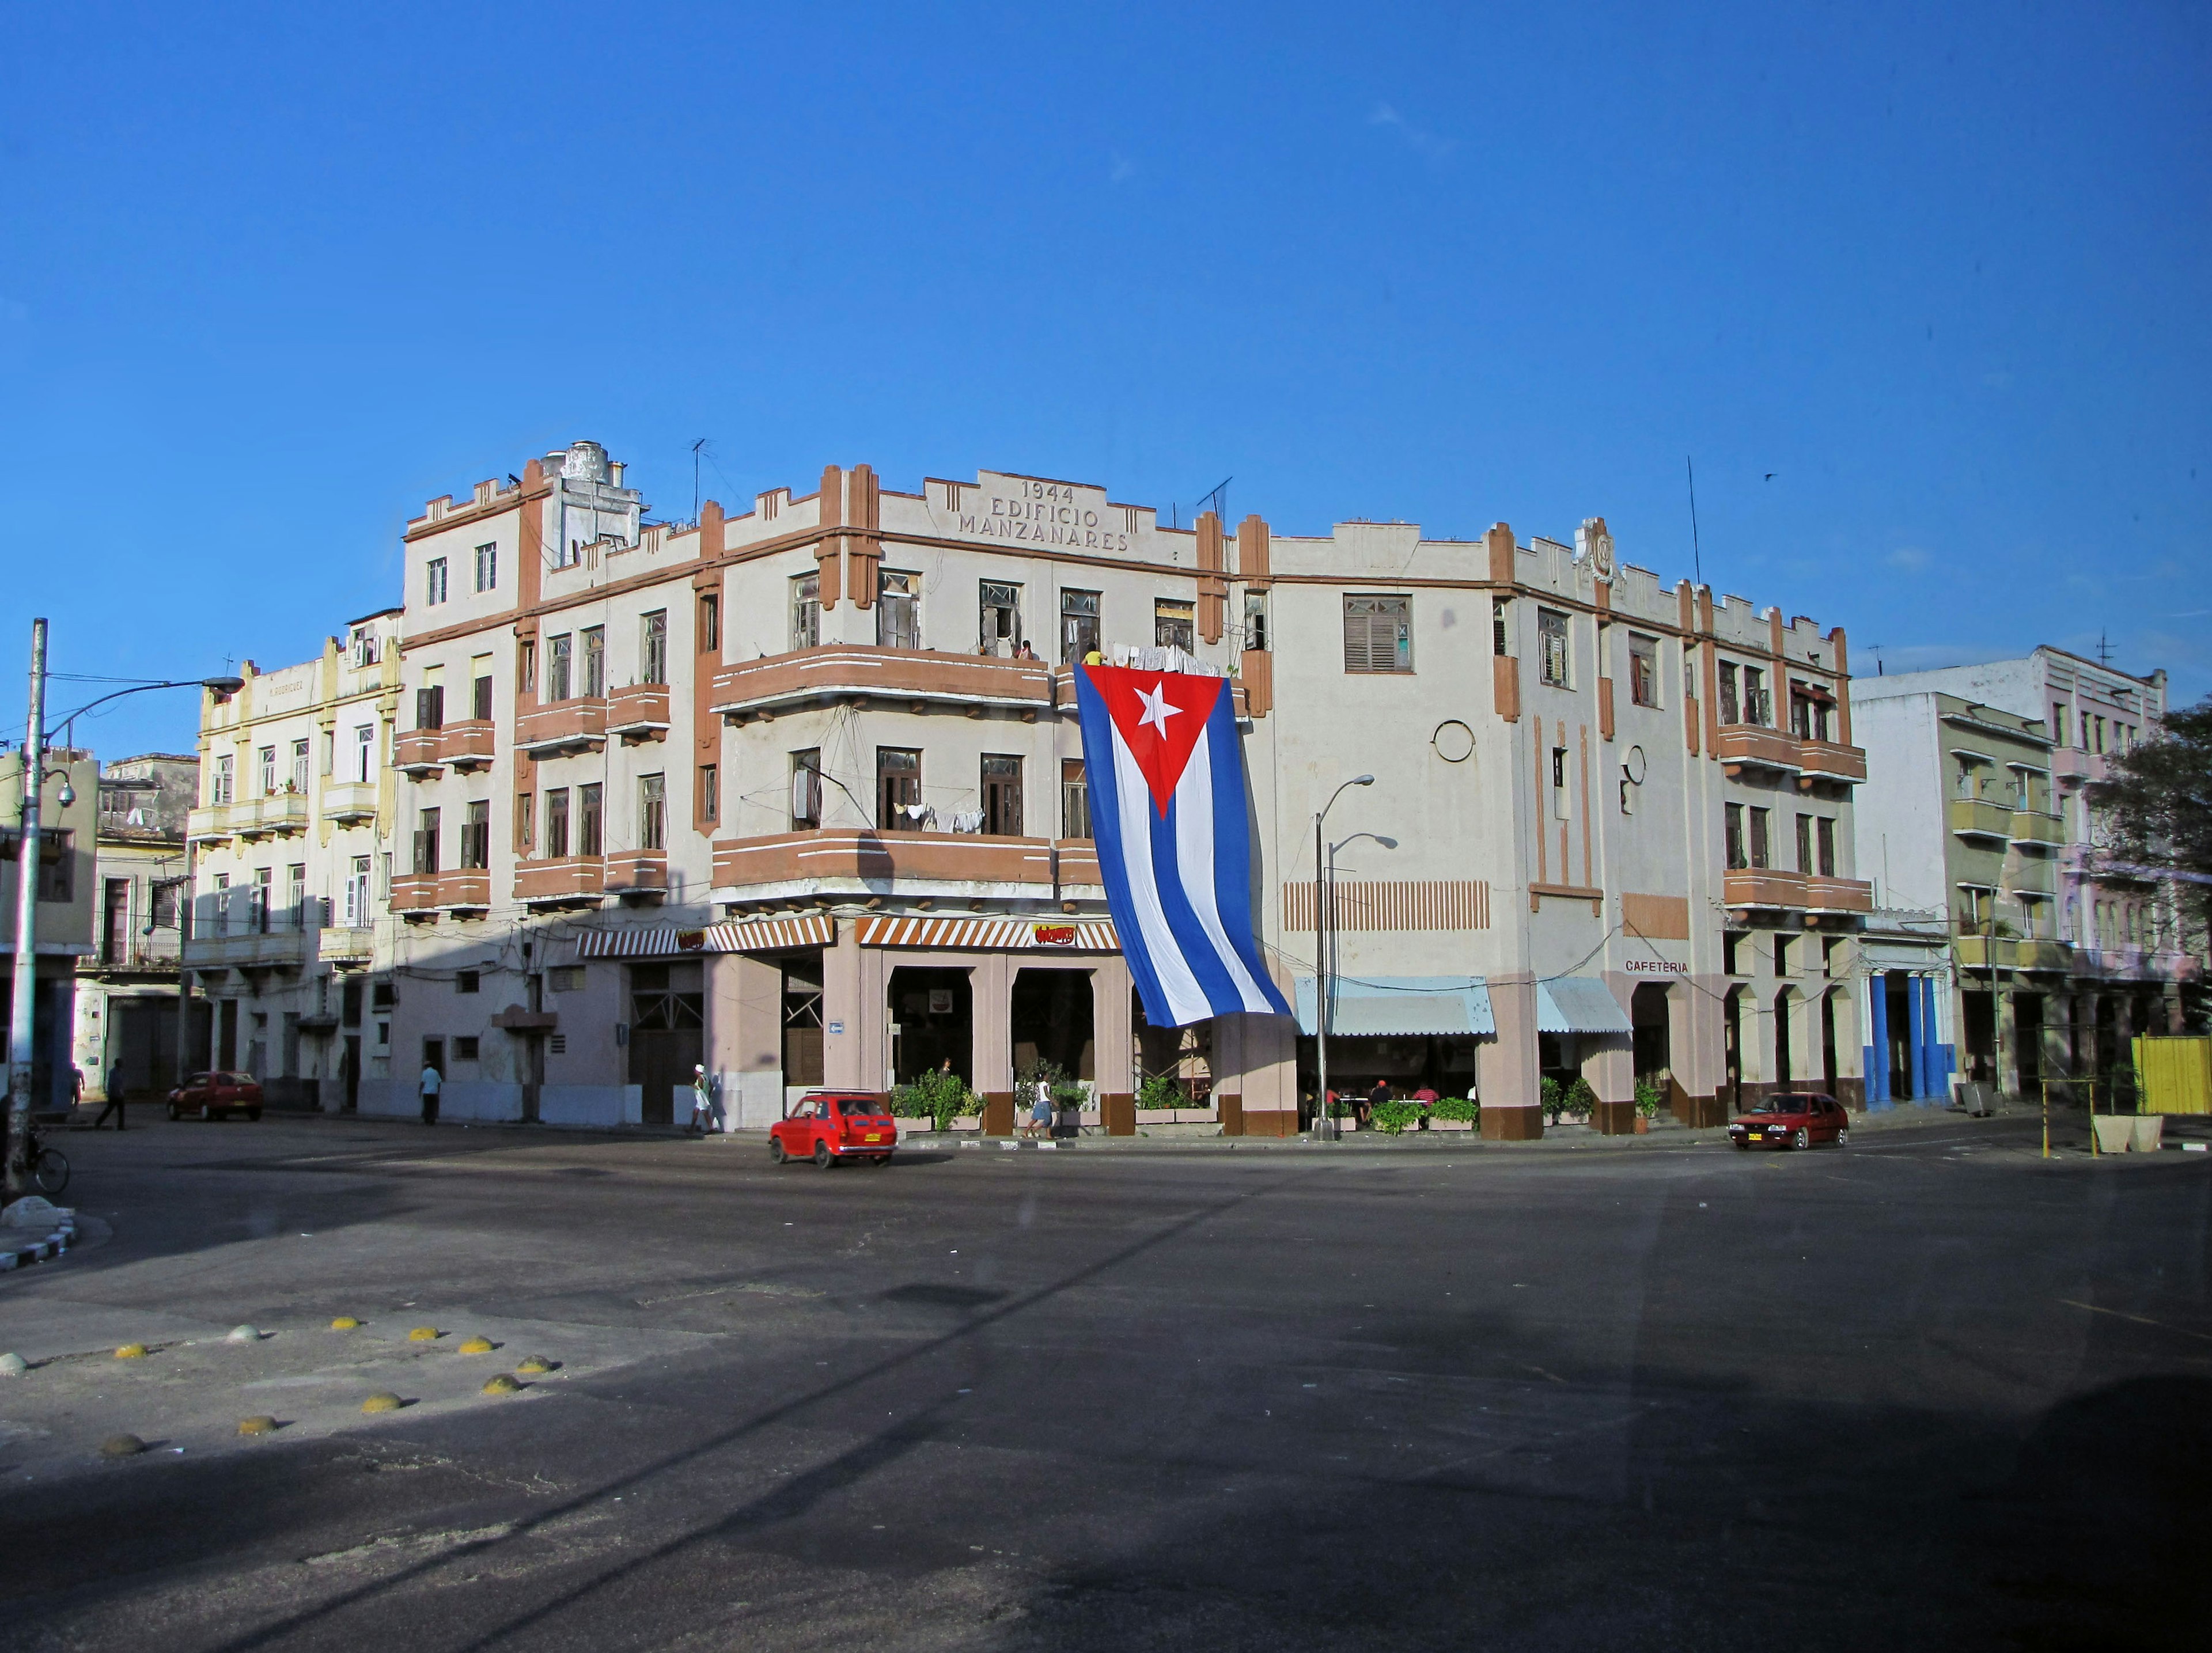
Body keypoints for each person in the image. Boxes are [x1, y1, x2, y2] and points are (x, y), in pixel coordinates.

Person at [94, 1061, 128, 1131]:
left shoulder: (121, 1072)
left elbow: (121, 1083)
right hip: (114, 1094)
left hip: (120, 1094)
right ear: (117, 1064)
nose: (122, 1065)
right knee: (109, 1110)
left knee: (121, 1111)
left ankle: (121, 1126)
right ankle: (98, 1122)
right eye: (120, 1064)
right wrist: (111, 1093)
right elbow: (112, 1083)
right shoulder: (113, 1072)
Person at [688, 1064, 714, 1136]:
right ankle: (691, 1129)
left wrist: (692, 1085)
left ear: (698, 1072)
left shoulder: (700, 1078)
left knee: (705, 1112)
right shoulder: (706, 1077)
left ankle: (711, 1128)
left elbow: (700, 1087)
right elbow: (711, 1086)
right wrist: (708, 1094)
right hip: (704, 1097)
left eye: (696, 1071)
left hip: (701, 1097)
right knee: (695, 1112)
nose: (695, 1072)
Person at [419, 1060, 442, 1126]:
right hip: (434, 1092)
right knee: (433, 1107)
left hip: (427, 1092)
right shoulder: (436, 1072)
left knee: (427, 1107)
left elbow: (423, 1083)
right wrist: (438, 1091)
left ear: (426, 1066)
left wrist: (420, 1091)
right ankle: (433, 1120)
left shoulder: (425, 1072)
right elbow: (439, 1082)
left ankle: (427, 1120)